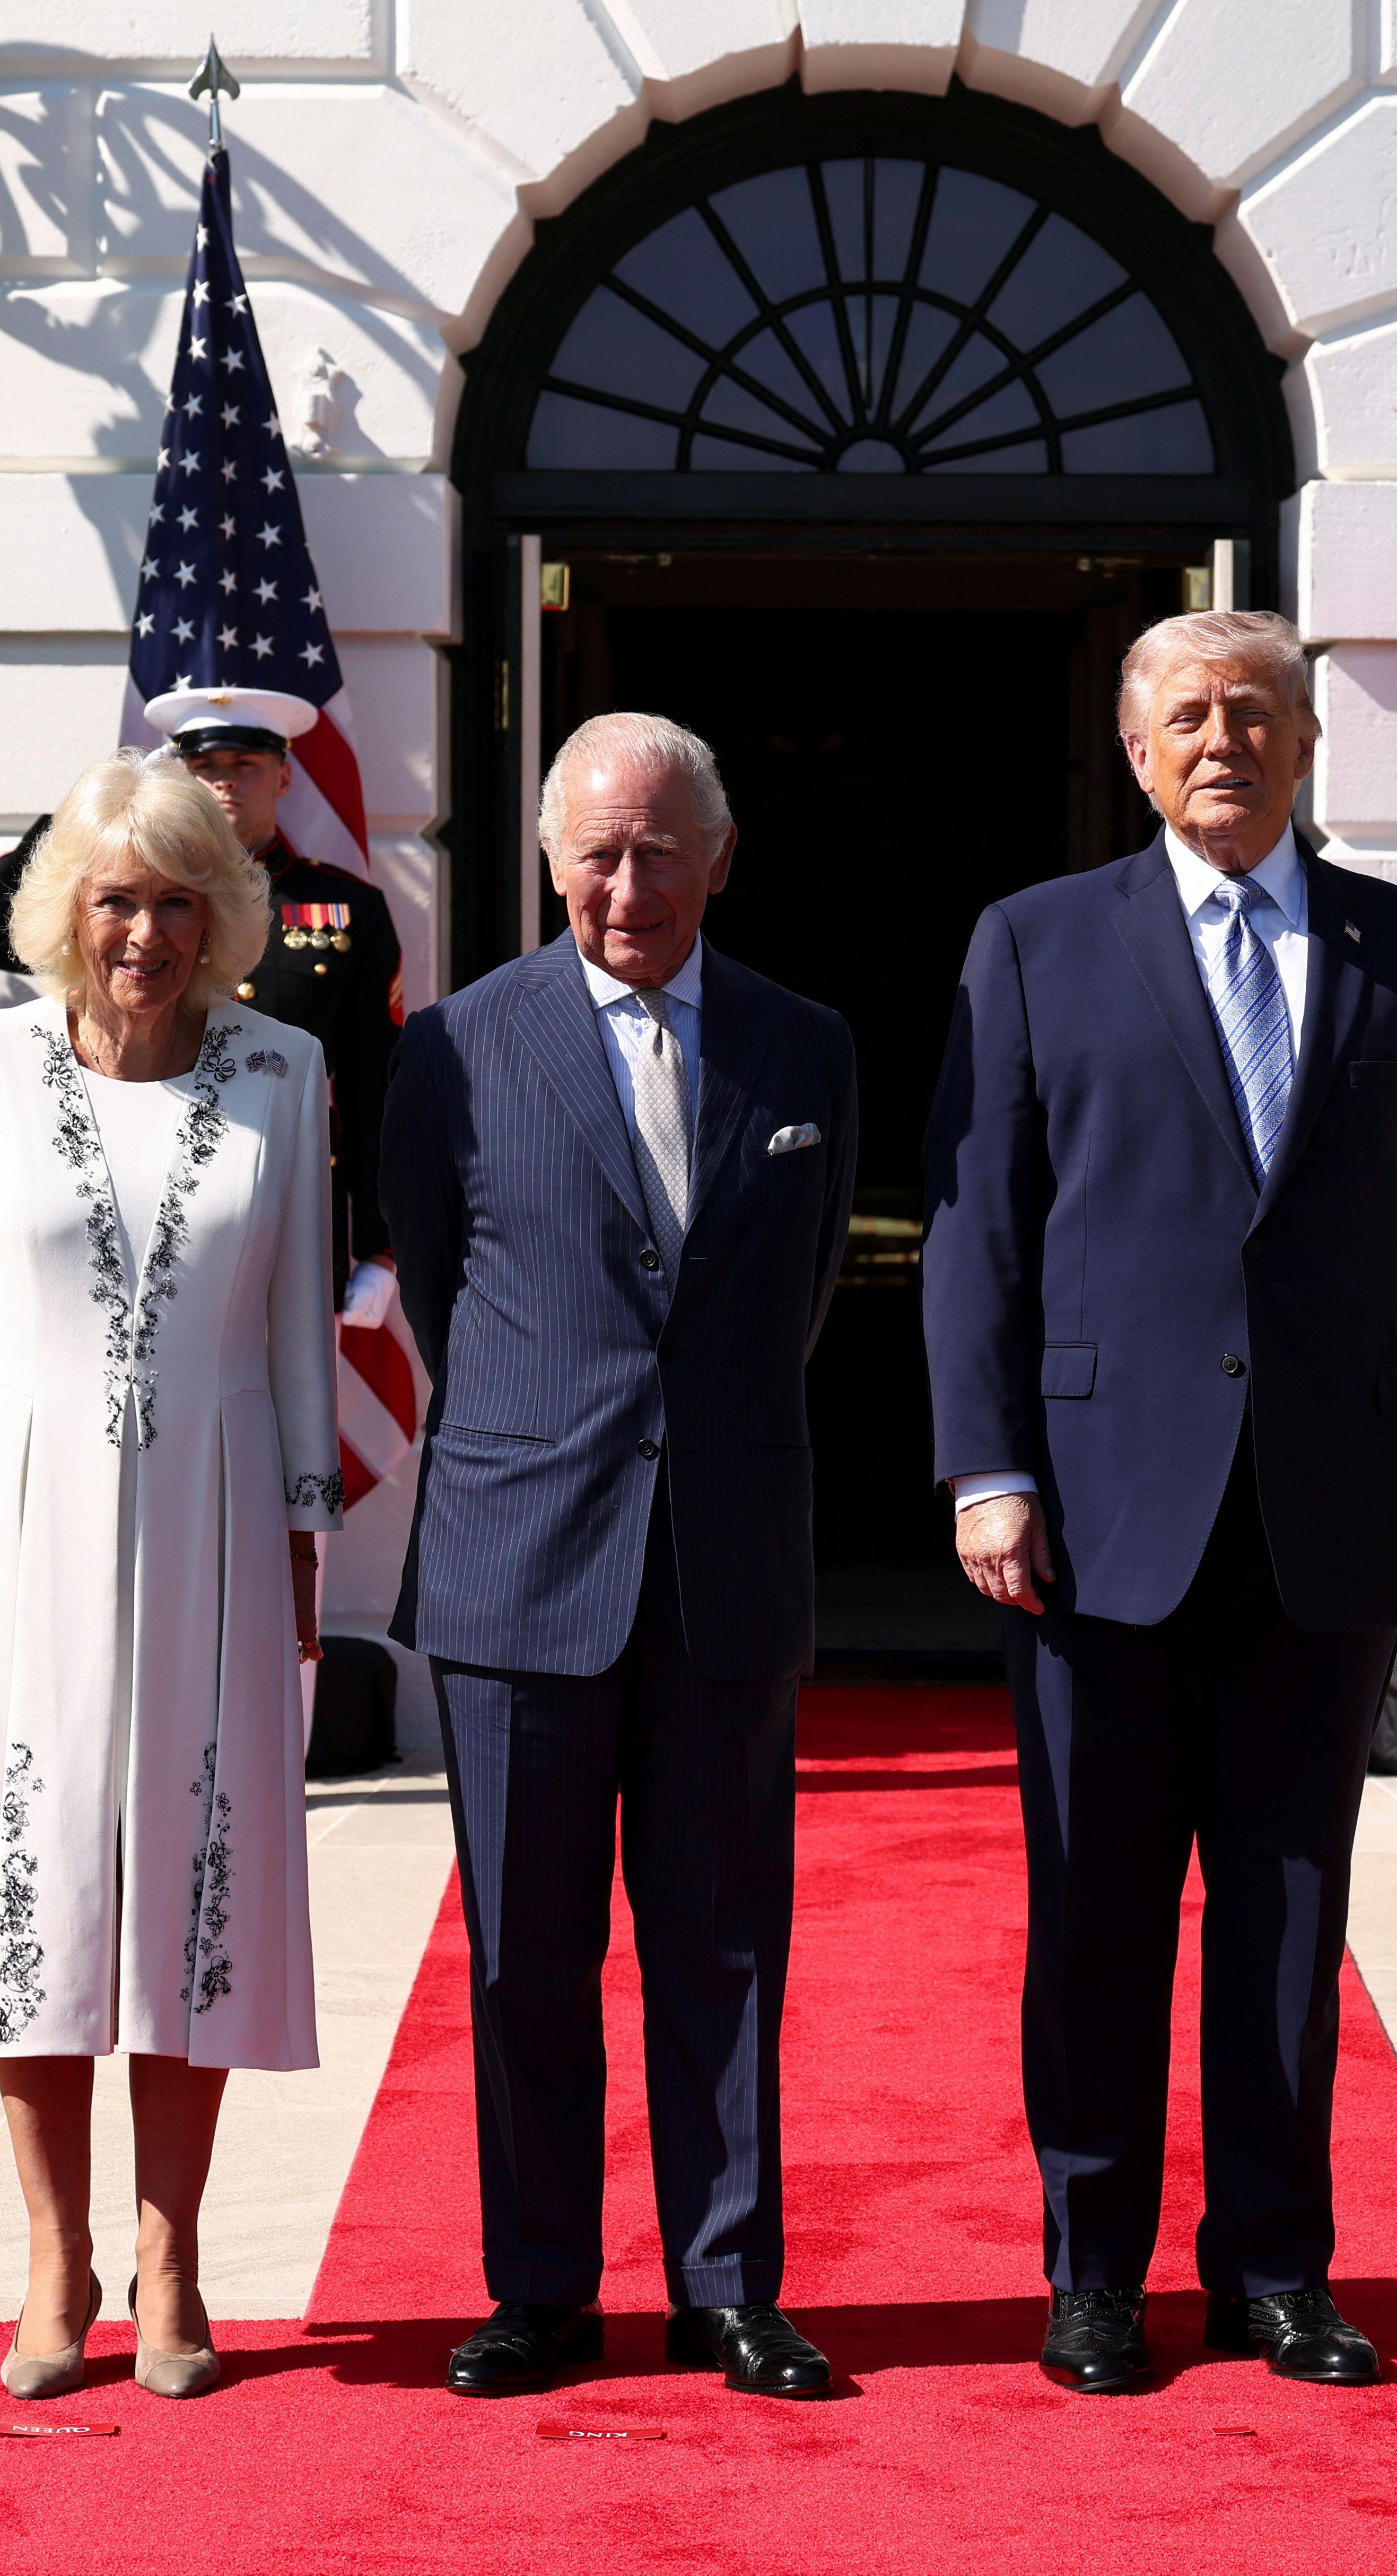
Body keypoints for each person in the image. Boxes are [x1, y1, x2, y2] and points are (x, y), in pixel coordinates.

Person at [923, 610, 1397, 2397]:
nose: (1221, 742)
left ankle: (1275, 2268)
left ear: (1306, 742)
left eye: (1254, 713)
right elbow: (978, 1226)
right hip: (1097, 1512)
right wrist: (987, 1467)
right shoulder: (1034, 943)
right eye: (1185, 715)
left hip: (1334, 1509)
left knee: (1287, 1910)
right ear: (1134, 750)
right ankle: (1092, 2271)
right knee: (1097, 1908)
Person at [380, 712, 861, 2402]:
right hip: (522, 1556)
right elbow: (439, 1286)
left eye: (660, 850)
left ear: (719, 858)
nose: (626, 885)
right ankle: (540, 2285)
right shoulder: (456, 1046)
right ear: (546, 860)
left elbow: (801, 1294)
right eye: (595, 852)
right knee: (526, 1949)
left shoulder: (806, 1049)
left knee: (723, 1942)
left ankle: (728, 2285)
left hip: (726, 1554)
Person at [0, 751, 345, 2404]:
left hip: (217, 1519)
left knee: (195, 1878)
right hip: (12, 1523)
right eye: (117, 899)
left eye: (177, 901)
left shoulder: (286, 1067)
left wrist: (304, 1537)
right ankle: (53, 2255)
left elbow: (294, 1323)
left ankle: (172, 2252)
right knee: (41, 1880)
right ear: (69, 908)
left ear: (224, 917)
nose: (144, 932)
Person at [0, 684, 404, 1287]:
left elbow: (372, 1083)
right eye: (203, 766)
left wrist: (378, 1246)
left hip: (279, 1192)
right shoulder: (120, 892)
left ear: (284, 775)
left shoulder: (345, 906)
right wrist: (93, 817)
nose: (225, 781)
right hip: (133, 1176)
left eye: (245, 764)